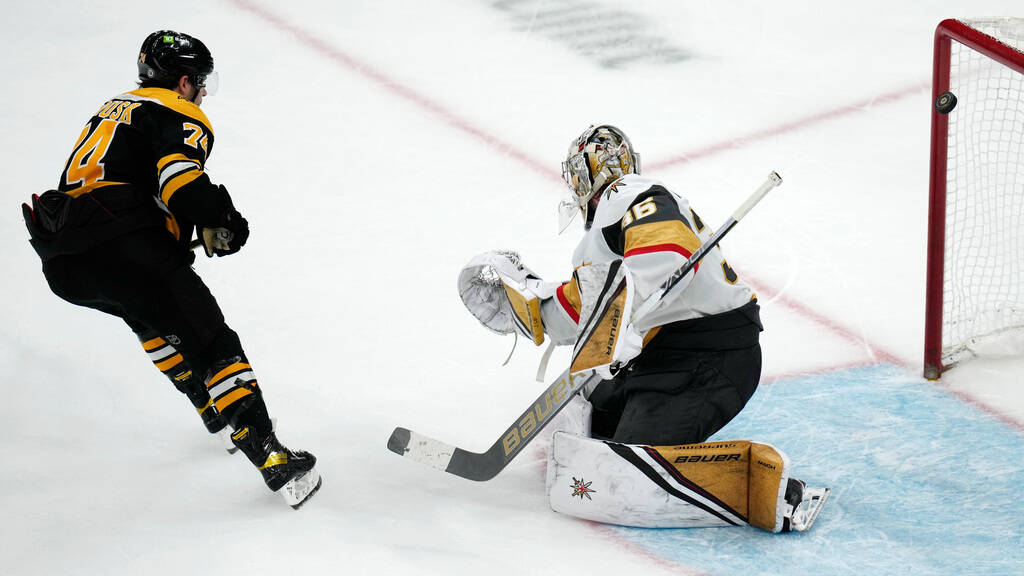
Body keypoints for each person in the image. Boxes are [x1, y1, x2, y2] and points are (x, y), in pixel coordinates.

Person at [458, 125, 827, 531]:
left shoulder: (633, 194)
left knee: (621, 470)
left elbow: (666, 254)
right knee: (586, 433)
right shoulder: (607, 234)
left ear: (590, 174)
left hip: (713, 358)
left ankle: (768, 489)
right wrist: (532, 306)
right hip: (664, 358)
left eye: (579, 178)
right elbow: (586, 307)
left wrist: (624, 315)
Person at [21, 30, 320, 509]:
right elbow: (179, 180)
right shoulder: (180, 112)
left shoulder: (113, 108)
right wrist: (222, 219)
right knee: (213, 342)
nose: (203, 92)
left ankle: (211, 411)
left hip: (65, 258)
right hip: (122, 243)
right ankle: (273, 459)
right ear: (184, 82)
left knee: (150, 316)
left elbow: (118, 179)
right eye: (200, 82)